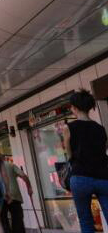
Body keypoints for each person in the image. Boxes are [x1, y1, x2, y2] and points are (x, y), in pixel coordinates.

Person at [62, 89, 108, 233]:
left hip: (80, 177)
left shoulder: (69, 128)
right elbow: (103, 150)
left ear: (74, 108)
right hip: (103, 176)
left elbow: (69, 155)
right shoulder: (100, 129)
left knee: (85, 219)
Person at [0, 158, 32, 233]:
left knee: (3, 221)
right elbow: (24, 176)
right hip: (14, 195)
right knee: (17, 219)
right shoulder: (10, 165)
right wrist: (29, 188)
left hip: (1, 196)